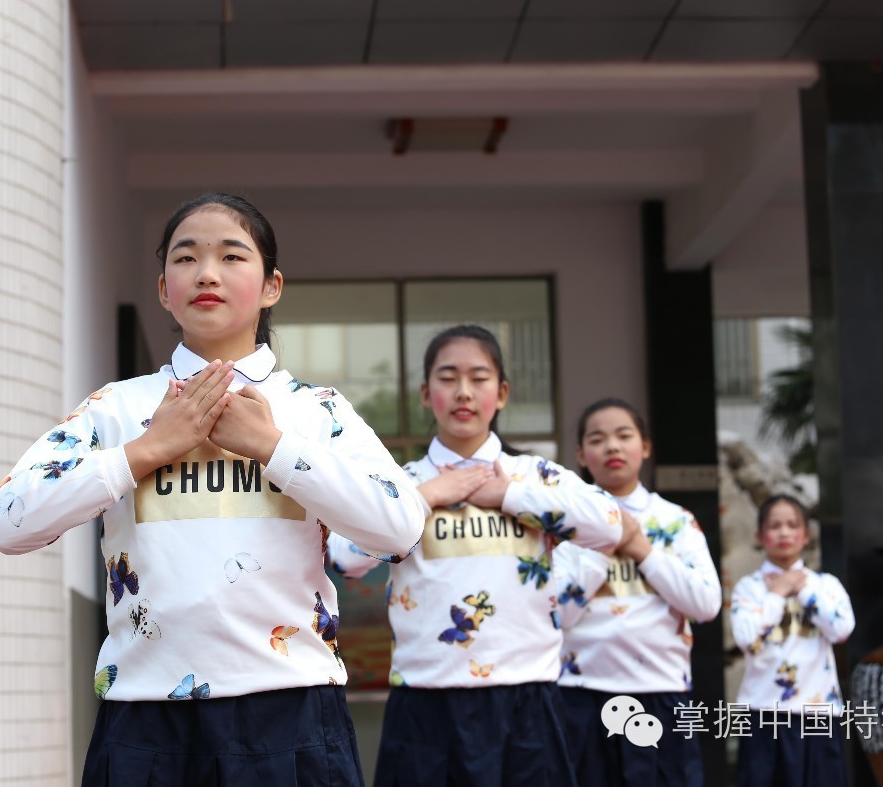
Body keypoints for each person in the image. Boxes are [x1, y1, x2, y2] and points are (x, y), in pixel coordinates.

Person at [0, 193, 428, 786]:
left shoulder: (314, 411)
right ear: (165, 289)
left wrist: (275, 449)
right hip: (144, 717)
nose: (207, 273)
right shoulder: (119, 409)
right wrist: (147, 450)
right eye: (186, 258)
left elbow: (400, 526)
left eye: (232, 256)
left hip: (291, 710)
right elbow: (9, 522)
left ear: (272, 286)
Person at [328, 324, 624, 786]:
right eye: (448, 378)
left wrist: (508, 495)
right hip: (426, 700)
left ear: (502, 393)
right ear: (426, 394)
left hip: (527, 701)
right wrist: (425, 497)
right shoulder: (400, 482)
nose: (463, 392)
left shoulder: (534, 477)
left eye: (479, 378)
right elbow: (344, 557)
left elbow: (610, 525)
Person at [552, 397, 722, 787]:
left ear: (644, 446)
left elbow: (706, 604)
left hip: (660, 694)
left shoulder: (676, 521)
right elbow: (556, 615)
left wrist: (643, 550)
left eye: (623, 435)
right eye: (597, 439)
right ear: (581, 453)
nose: (612, 446)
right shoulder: (563, 525)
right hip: (580, 695)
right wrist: (607, 545)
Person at [730, 494, 853, 787]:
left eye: (792, 525)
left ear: (806, 535)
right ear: (760, 536)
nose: (784, 532)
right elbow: (747, 639)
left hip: (819, 714)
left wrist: (803, 591)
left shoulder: (825, 585)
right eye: (774, 526)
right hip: (764, 714)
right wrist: (777, 594)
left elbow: (842, 629)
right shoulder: (749, 588)